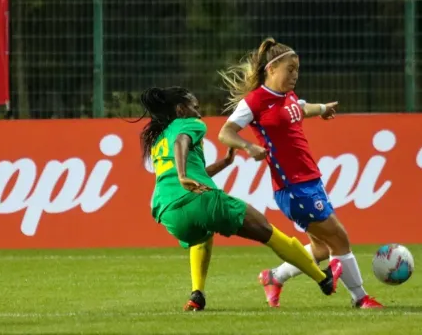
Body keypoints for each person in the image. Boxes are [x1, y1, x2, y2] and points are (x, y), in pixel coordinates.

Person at [139, 86, 342, 311]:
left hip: (167, 211)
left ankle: (197, 295)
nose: (199, 113)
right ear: (180, 109)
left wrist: (223, 164)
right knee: (267, 231)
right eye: (195, 107)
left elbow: (193, 170)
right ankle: (322, 278)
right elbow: (181, 142)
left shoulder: (158, 140)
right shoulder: (190, 125)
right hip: (198, 200)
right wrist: (183, 175)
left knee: (202, 235)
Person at [217, 37, 382, 309]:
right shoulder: (255, 101)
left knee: (320, 248)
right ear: (271, 69)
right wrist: (248, 146)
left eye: (297, 69)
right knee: (339, 238)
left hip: (310, 181)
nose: (295, 75)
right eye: (289, 69)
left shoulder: (287, 96)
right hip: (292, 188)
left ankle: (274, 277)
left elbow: (301, 108)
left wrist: (323, 110)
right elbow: (225, 132)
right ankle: (361, 299)